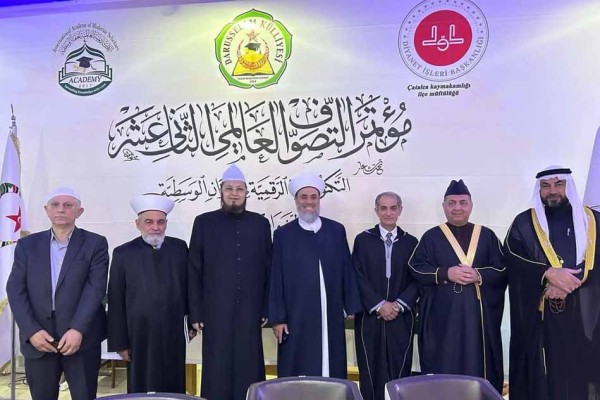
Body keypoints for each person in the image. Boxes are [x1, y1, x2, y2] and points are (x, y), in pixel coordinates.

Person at [504, 166, 600, 400]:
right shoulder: (524, 223)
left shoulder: (593, 221)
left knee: (582, 370)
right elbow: (512, 259)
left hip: (586, 314)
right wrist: (546, 274)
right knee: (546, 373)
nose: (552, 191)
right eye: (545, 186)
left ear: (569, 186)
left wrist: (568, 281)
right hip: (542, 316)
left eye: (559, 184)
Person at [6, 187, 109, 400]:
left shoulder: (95, 243)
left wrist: (78, 329)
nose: (61, 209)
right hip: (40, 337)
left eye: (68, 205)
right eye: (55, 205)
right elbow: (15, 289)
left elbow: (95, 288)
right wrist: (31, 330)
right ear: (46, 210)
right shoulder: (27, 245)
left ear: (79, 211)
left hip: (81, 338)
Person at [408, 179, 506, 393]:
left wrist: (478, 274)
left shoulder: (487, 235)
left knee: (477, 362)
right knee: (445, 362)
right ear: (443, 206)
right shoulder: (431, 237)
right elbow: (415, 268)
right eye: (451, 203)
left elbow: (503, 269)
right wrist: (446, 273)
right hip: (442, 319)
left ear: (471, 206)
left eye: (463, 202)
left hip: (478, 320)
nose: (457, 208)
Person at [188, 164, 272, 400]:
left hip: (251, 311)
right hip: (215, 312)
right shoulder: (204, 222)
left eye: (239, 189)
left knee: (249, 366)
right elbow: (194, 269)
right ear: (220, 191)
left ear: (246, 193)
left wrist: (266, 307)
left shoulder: (260, 224)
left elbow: (269, 269)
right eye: (229, 189)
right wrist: (196, 312)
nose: (234, 194)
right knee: (217, 367)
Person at [269, 172, 362, 378]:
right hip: (297, 314)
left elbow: (346, 268)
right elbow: (276, 278)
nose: (309, 202)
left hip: (330, 310)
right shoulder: (283, 235)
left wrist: (351, 304)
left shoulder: (335, 230)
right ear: (296, 200)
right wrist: (278, 318)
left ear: (319, 199)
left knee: (331, 361)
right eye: (304, 197)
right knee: (298, 364)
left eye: (313, 197)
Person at [107, 193, 191, 393]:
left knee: (174, 385)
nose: (155, 227)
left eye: (160, 222)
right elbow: (116, 300)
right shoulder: (123, 253)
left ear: (166, 224)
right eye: (149, 222)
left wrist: (191, 323)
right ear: (138, 224)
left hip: (173, 331)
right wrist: (120, 342)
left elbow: (189, 287)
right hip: (138, 334)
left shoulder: (179, 248)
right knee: (142, 386)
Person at [353, 192, 418, 400]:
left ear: (400, 210)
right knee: (370, 369)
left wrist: (397, 305)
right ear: (376, 211)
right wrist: (378, 304)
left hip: (401, 317)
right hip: (370, 316)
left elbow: (417, 279)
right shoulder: (363, 240)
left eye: (393, 208)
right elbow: (356, 275)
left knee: (400, 368)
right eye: (383, 208)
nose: (388, 213)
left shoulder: (411, 242)